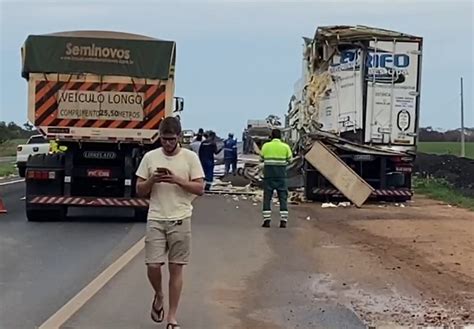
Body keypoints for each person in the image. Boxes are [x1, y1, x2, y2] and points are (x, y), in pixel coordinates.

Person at [136, 117, 205, 329]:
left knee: (176, 269)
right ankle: (158, 295)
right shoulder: (150, 157)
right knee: (153, 265)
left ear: (179, 138)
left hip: (180, 218)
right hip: (156, 217)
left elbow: (200, 188)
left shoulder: (190, 158)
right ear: (160, 137)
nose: (167, 144)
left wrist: (177, 180)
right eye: (164, 139)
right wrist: (152, 181)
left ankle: (172, 318)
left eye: (171, 140)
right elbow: (139, 189)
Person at [260, 128, 292, 228]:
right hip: (281, 176)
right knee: (283, 198)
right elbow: (290, 160)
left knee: (267, 198)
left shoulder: (266, 146)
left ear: (271, 136)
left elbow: (261, 158)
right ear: (280, 136)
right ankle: (283, 221)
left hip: (269, 176)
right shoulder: (285, 147)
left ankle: (267, 220)